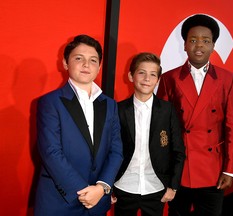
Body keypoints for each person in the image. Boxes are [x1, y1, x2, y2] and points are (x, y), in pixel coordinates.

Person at [156, 14, 233, 216]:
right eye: (193, 40)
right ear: (184, 45)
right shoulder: (169, 78)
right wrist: (163, 165)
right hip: (179, 167)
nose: (199, 46)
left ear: (213, 46)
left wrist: (230, 169)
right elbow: (161, 126)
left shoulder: (227, 79)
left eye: (206, 41)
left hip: (213, 168)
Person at [34, 34, 123, 216]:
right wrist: (84, 192)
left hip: (98, 201)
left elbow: (116, 151)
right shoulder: (50, 102)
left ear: (99, 67)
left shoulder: (110, 104)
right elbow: (51, 152)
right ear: (66, 63)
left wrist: (102, 187)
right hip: (60, 200)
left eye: (93, 60)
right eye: (78, 58)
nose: (86, 65)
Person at [113, 52, 186, 216]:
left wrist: (173, 186)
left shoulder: (167, 110)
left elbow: (178, 151)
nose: (147, 78)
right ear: (131, 76)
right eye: (141, 73)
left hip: (156, 186)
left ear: (158, 80)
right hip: (124, 186)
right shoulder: (117, 110)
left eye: (153, 74)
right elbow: (109, 151)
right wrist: (108, 184)